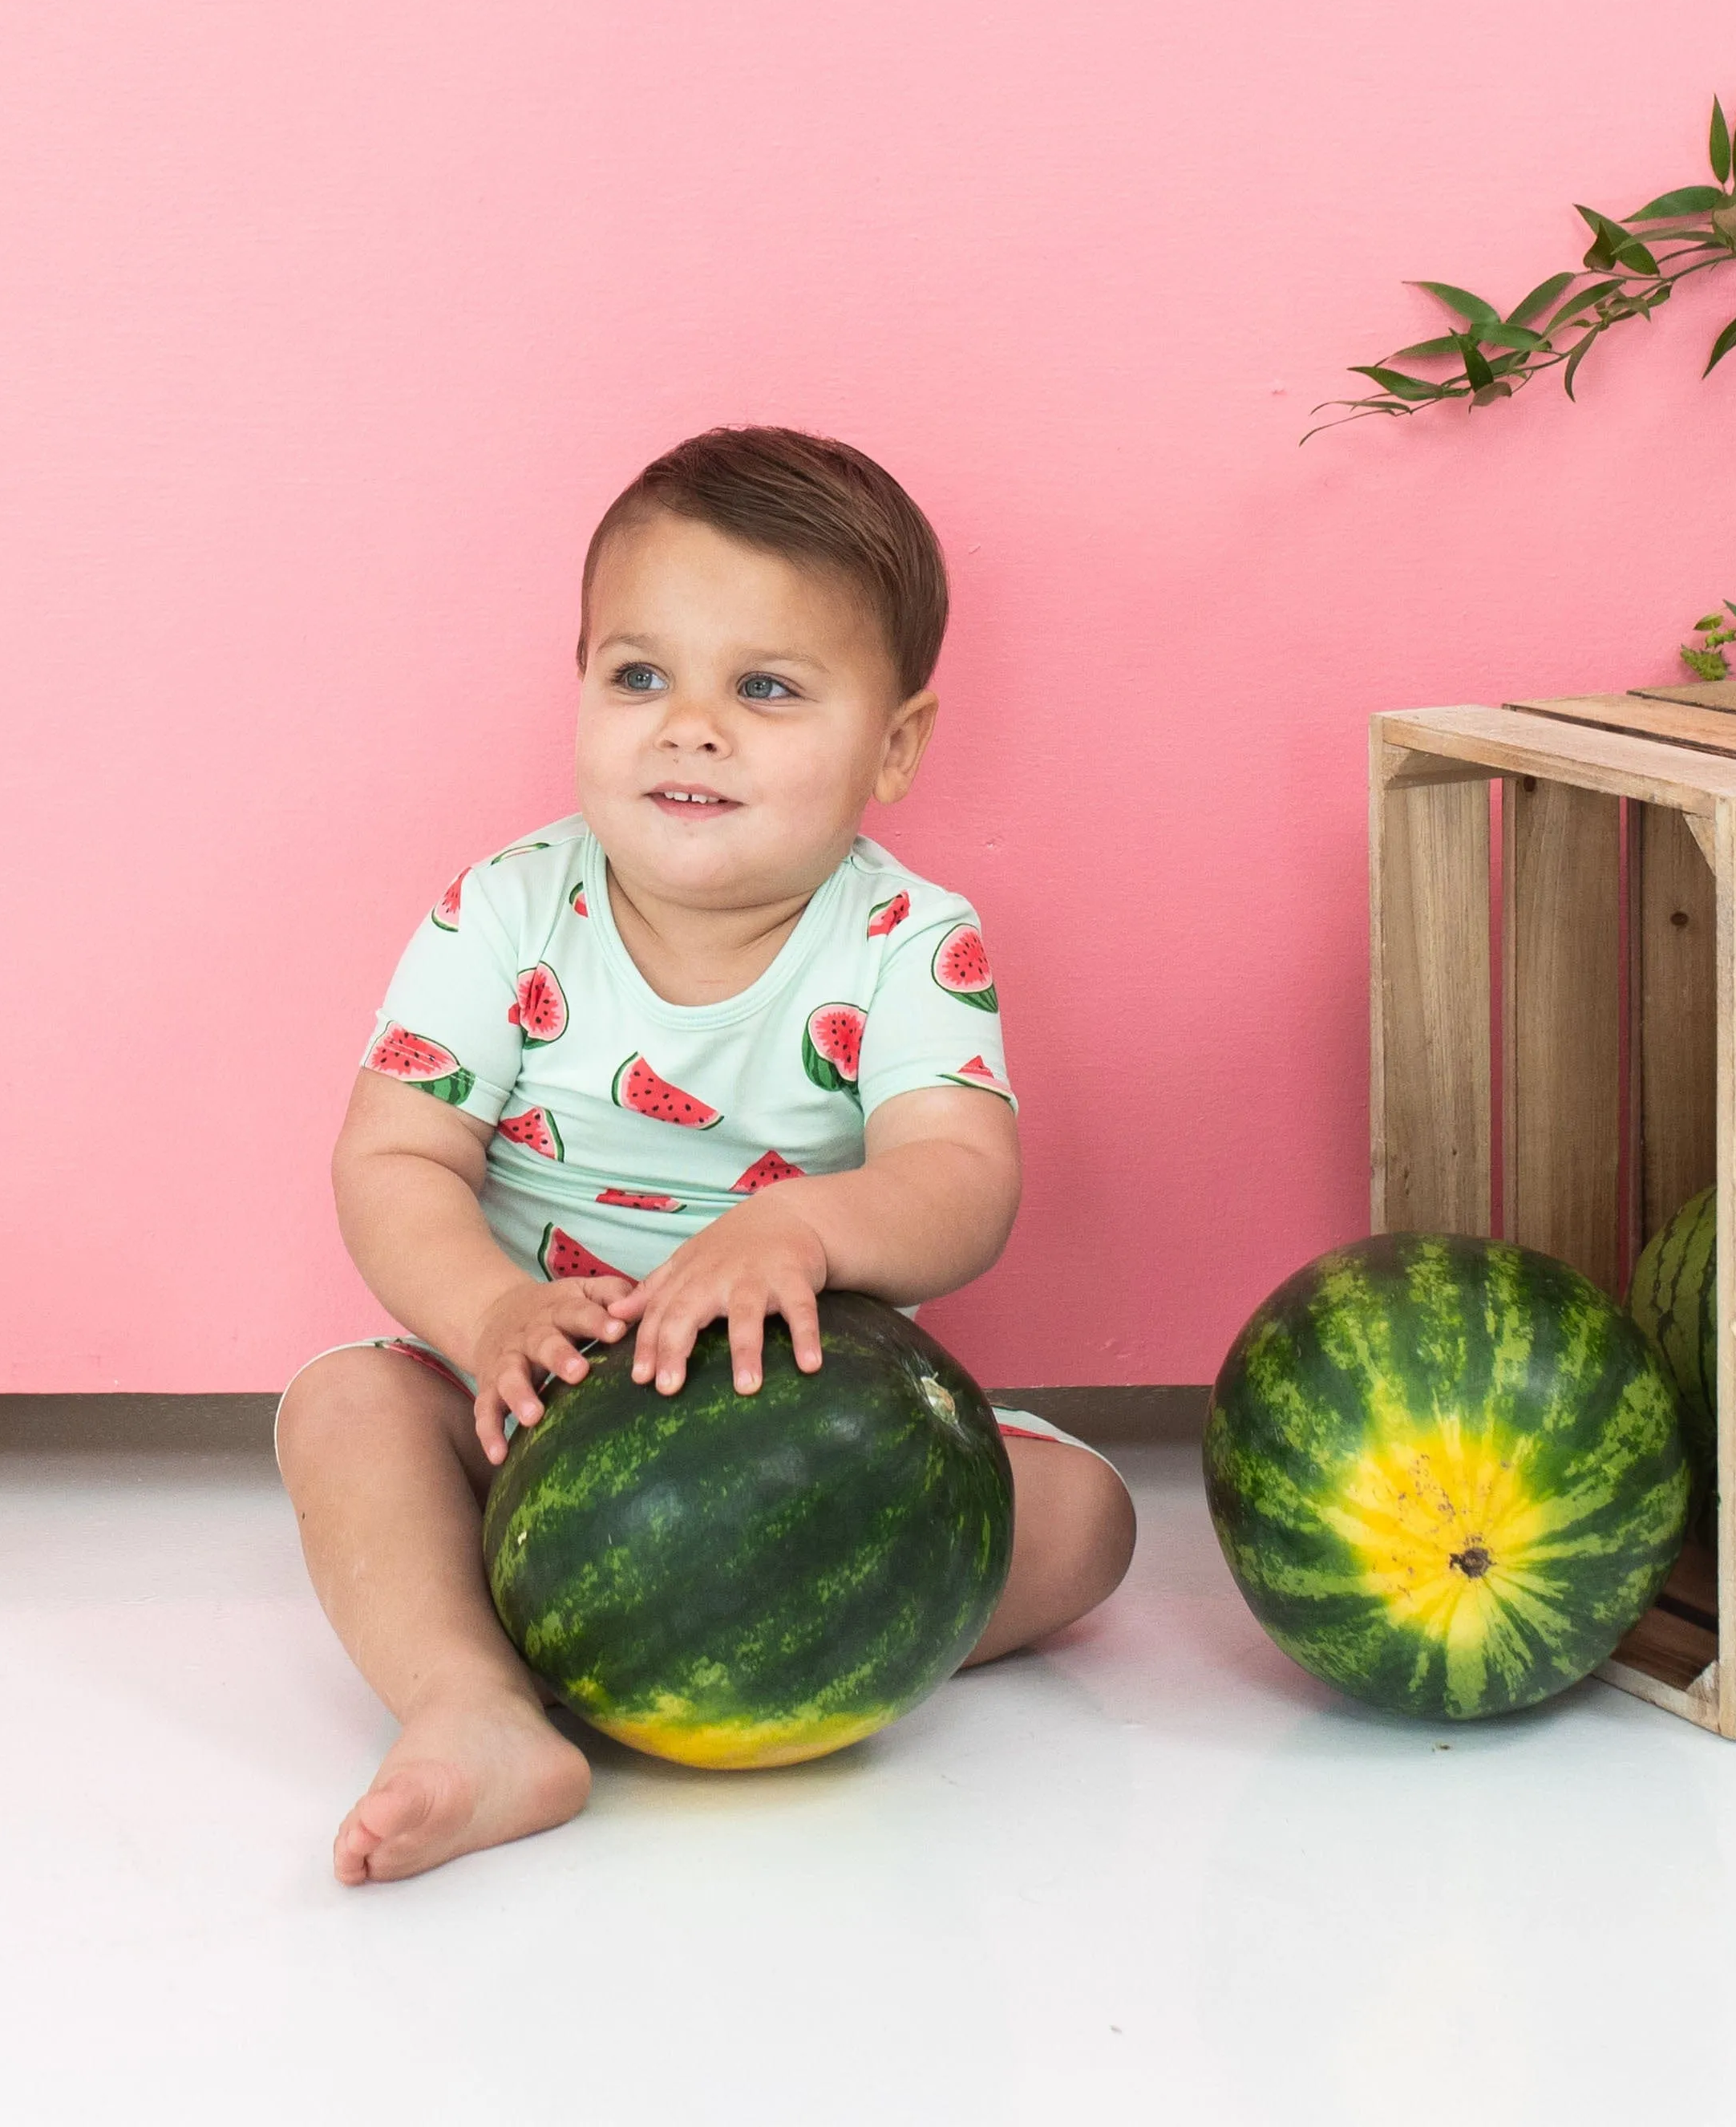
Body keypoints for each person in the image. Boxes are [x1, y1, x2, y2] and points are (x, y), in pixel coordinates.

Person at [277, 427, 1139, 1885]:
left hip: (796, 1451)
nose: (690, 726)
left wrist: (803, 1232)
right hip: (517, 1402)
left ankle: (731, 1656)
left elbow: (962, 1180)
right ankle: (477, 1705)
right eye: (639, 676)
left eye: (766, 688)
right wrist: (488, 1316)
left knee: (1088, 1522)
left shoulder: (912, 944)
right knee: (343, 1409)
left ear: (896, 743)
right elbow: (394, 1157)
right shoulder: (505, 909)